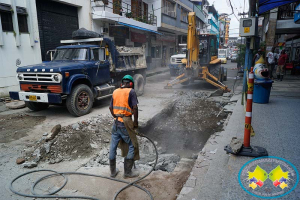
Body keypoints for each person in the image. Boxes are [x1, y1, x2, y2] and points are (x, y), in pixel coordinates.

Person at [108, 75, 139, 178]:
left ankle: (112, 172)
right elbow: (135, 108)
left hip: (116, 122)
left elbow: (110, 107)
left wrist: (115, 116)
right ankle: (127, 172)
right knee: (132, 145)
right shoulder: (131, 91)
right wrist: (135, 122)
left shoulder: (115, 91)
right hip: (126, 122)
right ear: (131, 84)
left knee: (113, 146)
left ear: (122, 82)